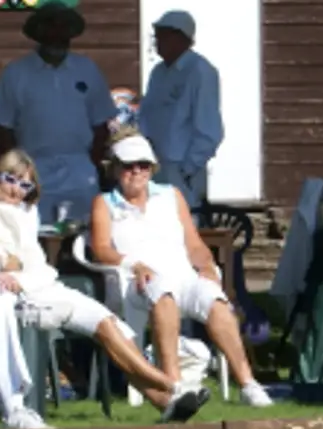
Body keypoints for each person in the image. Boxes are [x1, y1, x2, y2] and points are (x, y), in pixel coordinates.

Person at [0, 157, 208, 426]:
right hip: (15, 301)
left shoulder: (19, 215)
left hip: (45, 288)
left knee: (107, 324)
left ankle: (166, 401)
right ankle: (174, 387)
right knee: (103, 329)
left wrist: (14, 267)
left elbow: (35, 265)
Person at [87, 134, 269, 408]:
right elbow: (100, 249)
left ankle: (247, 384)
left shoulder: (172, 195)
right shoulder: (104, 202)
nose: (136, 171)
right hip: (137, 280)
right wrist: (130, 264)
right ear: (115, 169)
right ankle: (175, 384)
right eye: (128, 165)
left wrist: (207, 265)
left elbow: (194, 243)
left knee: (215, 301)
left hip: (182, 274)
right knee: (163, 295)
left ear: (152, 168)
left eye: (143, 165)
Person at [0, 2, 119, 225]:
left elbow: (101, 123)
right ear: (39, 32)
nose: (57, 34)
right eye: (51, 27)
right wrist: (18, 171)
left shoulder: (87, 69)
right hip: (34, 167)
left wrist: (92, 162)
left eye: (63, 28)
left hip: (79, 167)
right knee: (35, 233)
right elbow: (4, 127)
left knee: (84, 233)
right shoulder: (16, 73)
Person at [137, 9, 224, 207]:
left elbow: (209, 129)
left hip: (181, 170)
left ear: (181, 37)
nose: (157, 42)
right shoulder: (158, 73)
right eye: (156, 37)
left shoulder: (201, 71)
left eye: (163, 37)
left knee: (184, 229)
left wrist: (188, 170)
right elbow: (146, 116)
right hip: (154, 167)